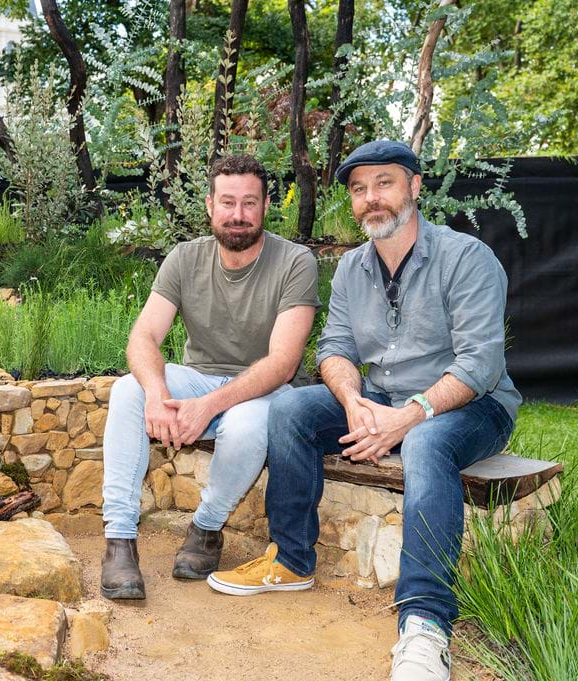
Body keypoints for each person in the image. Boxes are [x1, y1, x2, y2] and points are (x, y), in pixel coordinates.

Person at [206, 140, 521, 681]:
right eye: (359, 189)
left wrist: (409, 417)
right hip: (382, 398)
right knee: (291, 409)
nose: (371, 198)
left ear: (414, 187)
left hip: (475, 406)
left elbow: (480, 364)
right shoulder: (353, 267)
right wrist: (353, 402)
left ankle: (425, 623)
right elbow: (334, 348)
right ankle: (291, 561)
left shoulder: (466, 258)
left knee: (425, 441)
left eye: (384, 183)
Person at [100, 154, 320, 600]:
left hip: (264, 391)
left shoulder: (296, 261)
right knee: (127, 390)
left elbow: (283, 362)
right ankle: (119, 539)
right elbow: (143, 337)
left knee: (246, 424)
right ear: (210, 205)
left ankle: (205, 529)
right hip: (199, 378)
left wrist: (209, 406)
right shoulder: (185, 258)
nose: (238, 214)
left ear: (266, 205)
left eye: (249, 203)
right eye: (228, 202)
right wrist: (157, 393)